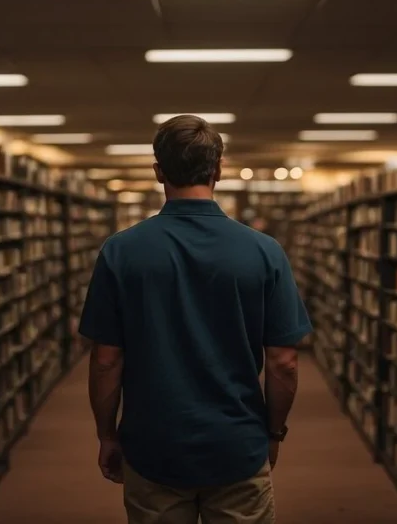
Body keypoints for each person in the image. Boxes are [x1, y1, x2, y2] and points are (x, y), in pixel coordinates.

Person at [79, 114, 312, 524]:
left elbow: (105, 360)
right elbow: (283, 361)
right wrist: (273, 433)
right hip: (237, 443)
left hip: (153, 444)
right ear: (218, 170)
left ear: (157, 171)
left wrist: (107, 434)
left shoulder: (120, 252)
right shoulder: (264, 251)